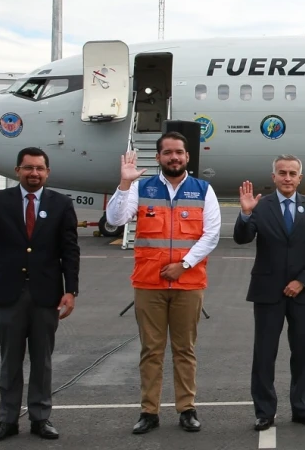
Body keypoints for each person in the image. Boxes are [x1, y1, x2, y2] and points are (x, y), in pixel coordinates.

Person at [104, 131, 221, 434]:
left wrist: (183, 265)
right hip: (148, 284)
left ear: (187, 157)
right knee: (151, 351)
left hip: (188, 284)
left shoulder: (203, 190)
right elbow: (116, 220)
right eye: (167, 152)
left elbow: (211, 235)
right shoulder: (140, 188)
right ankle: (149, 411)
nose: (174, 157)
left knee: (185, 349)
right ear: (158, 157)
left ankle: (187, 408)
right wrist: (124, 183)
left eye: (179, 152)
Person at [0, 149, 80, 442]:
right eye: (28, 168)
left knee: (42, 360)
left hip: (47, 295)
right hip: (9, 293)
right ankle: (7, 421)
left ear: (47, 172)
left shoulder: (61, 204)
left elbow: (70, 250)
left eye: (40, 168)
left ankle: (41, 418)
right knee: (10, 361)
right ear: (17, 170)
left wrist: (71, 290)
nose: (34, 173)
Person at [234, 154, 305, 431]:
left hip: (302, 292)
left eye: (292, 173)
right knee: (264, 353)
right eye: (282, 173)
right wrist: (246, 213)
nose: (287, 178)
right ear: (273, 177)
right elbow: (242, 238)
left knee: (302, 351)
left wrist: (302, 281)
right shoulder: (260, 206)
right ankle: (264, 411)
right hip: (267, 291)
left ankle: (302, 408)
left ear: (300, 178)